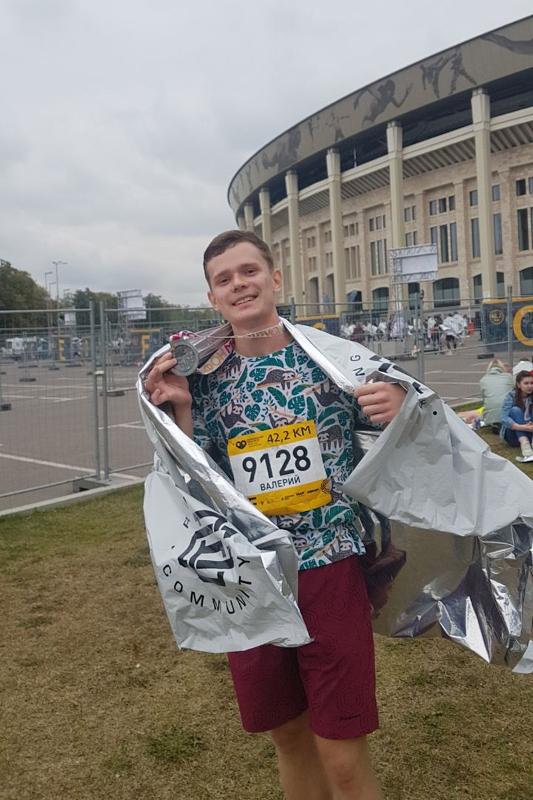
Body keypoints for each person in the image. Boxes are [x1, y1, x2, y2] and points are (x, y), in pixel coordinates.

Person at [144, 230, 407, 800]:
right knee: (288, 735)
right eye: (224, 279)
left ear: (275, 278)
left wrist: (399, 404)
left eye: (249, 271)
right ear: (213, 298)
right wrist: (181, 409)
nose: (239, 284)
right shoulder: (204, 382)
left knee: (341, 752)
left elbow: (404, 428)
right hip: (253, 577)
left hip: (328, 565)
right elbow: (195, 478)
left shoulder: (333, 361)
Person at [500, 370, 533, 462]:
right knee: (515, 410)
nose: (530, 386)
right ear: (518, 385)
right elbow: (504, 418)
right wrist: (524, 427)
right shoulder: (511, 396)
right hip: (514, 436)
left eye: (531, 383)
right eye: (526, 383)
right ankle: (526, 447)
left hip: (530, 431)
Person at [479, 359, 514, 433]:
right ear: (502, 367)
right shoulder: (508, 377)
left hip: (490, 414)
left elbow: (484, 399)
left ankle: (495, 423)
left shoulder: (483, 380)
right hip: (507, 410)